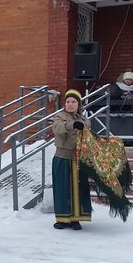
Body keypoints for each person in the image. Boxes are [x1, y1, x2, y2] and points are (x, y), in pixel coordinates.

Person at [51, 89, 92, 230]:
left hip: (79, 159)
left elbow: (89, 137)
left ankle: (75, 219)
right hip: (63, 158)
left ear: (78, 104)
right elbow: (57, 128)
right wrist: (72, 125)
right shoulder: (59, 117)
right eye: (68, 101)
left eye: (73, 102)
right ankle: (62, 219)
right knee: (63, 189)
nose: (70, 104)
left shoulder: (85, 120)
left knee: (78, 189)